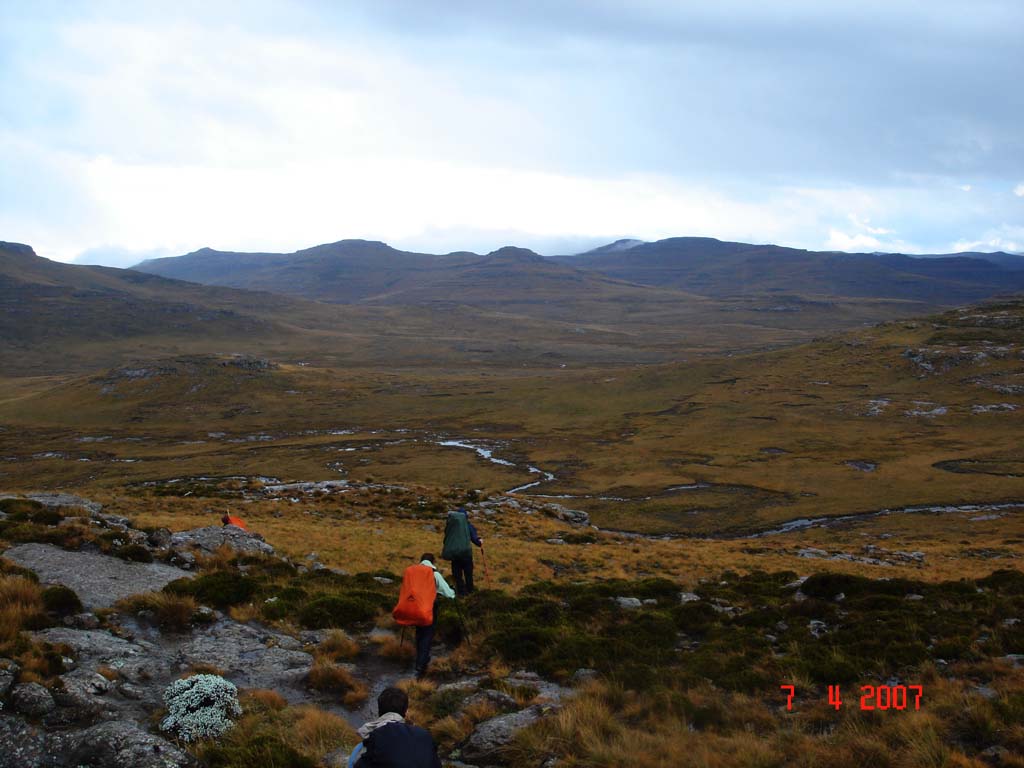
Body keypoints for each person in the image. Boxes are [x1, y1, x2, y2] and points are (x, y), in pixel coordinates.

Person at [348, 686, 441, 768]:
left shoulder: (375, 735)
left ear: (379, 711)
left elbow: (357, 765)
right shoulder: (425, 736)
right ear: (406, 712)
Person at [440, 507, 482, 596]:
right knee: (468, 574)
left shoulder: (452, 526)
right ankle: (470, 591)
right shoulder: (468, 525)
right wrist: (479, 542)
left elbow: (447, 537)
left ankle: (461, 592)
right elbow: (474, 539)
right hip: (466, 554)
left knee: (457, 574)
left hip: (454, 554)